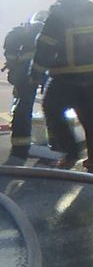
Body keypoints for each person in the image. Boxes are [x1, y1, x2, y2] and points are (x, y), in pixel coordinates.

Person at [31, 0, 93, 175]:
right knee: (90, 118)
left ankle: (71, 151)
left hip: (66, 76)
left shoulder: (59, 13)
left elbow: (45, 47)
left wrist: (35, 73)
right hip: (92, 76)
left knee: (51, 108)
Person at [2, 10, 47, 164]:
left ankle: (20, 147)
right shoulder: (48, 30)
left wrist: (14, 66)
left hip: (25, 73)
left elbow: (10, 48)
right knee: (53, 106)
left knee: (23, 104)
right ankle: (57, 144)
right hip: (43, 71)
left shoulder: (24, 30)